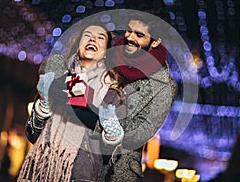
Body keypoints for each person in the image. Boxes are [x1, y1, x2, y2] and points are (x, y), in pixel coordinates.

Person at [17, 21, 125, 182]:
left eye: (100, 38)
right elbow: (32, 134)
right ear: (78, 44)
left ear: (106, 51)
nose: (92, 40)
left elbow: (110, 158)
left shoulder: (112, 95)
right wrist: (44, 104)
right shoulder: (57, 80)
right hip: (41, 174)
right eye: (87, 36)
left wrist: (112, 134)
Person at [95, 12, 178, 182]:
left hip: (117, 169)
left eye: (139, 35)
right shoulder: (106, 55)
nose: (130, 37)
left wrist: (109, 123)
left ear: (155, 41)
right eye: (128, 31)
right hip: (79, 154)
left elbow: (143, 131)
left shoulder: (164, 86)